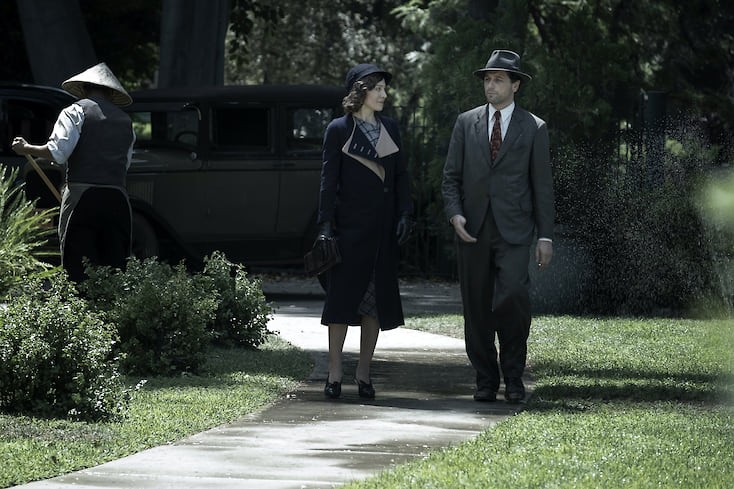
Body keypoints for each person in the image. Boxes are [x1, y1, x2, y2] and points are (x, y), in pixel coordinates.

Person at [441, 50, 555, 403]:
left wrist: (545, 235)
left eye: (499, 79)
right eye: (487, 79)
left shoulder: (534, 127)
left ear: (515, 85)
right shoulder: (466, 122)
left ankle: (514, 377)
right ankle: (485, 380)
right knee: (476, 307)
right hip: (472, 229)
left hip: (515, 231)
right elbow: (450, 178)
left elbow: (542, 185)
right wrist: (455, 214)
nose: (491, 85)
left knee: (513, 300)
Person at [317, 63, 414, 399]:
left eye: (385, 89)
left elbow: (401, 175)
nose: (384, 95)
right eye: (378, 89)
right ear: (361, 91)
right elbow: (328, 181)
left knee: (375, 304)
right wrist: (325, 225)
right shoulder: (339, 129)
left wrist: (405, 212)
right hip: (348, 232)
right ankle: (334, 373)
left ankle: (363, 373)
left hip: (382, 232)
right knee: (340, 303)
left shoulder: (390, 128)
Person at [12, 62, 135, 283]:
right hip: (118, 200)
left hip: (82, 198)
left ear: (84, 88)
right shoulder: (126, 122)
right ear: (111, 93)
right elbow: (124, 165)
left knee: (77, 266)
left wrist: (26, 148)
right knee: (115, 266)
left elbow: (57, 153)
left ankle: (81, 305)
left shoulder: (75, 111)